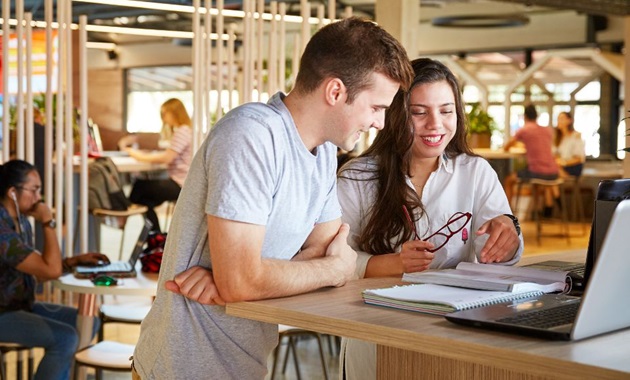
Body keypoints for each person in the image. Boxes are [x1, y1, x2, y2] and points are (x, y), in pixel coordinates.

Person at [131, 17, 413, 379]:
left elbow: (318, 250)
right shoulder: (252, 136)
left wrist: (250, 278)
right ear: (336, 92)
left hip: (247, 363)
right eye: (376, 107)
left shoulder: (324, 153)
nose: (379, 122)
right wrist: (331, 269)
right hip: (179, 368)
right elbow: (314, 265)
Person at [336, 58, 523, 380]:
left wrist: (506, 239)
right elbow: (334, 261)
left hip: (453, 327)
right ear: (394, 114)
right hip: (377, 326)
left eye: (446, 111)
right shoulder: (358, 177)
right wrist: (395, 263)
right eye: (419, 112)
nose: (435, 124)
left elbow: (494, 255)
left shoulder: (474, 172)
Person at [0, 159, 110, 380]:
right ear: (13, 192)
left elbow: (37, 270)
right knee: (65, 337)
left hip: (20, 306)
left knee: (89, 322)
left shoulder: (21, 222)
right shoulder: (2, 229)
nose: (38, 198)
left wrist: (70, 262)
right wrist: (48, 221)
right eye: (34, 190)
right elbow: (49, 271)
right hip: (3, 312)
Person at [126, 98, 193, 232]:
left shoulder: (183, 131)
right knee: (145, 201)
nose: (163, 118)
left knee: (139, 187)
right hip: (182, 182)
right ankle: (156, 236)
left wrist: (139, 156)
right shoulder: (186, 130)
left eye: (165, 113)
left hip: (180, 184)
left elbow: (167, 158)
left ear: (174, 112)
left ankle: (125, 218)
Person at [503, 104, 560, 217]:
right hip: (554, 173)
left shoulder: (524, 129)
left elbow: (506, 147)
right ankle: (537, 216)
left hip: (537, 172)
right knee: (535, 185)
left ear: (525, 116)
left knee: (509, 180)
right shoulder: (547, 130)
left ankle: (507, 214)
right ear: (536, 116)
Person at [554, 111, 585, 177]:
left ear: (569, 121)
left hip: (573, 166)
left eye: (561, 119)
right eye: (558, 119)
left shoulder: (576, 136)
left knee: (553, 170)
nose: (559, 121)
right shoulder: (558, 137)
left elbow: (579, 159)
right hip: (561, 165)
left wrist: (563, 163)